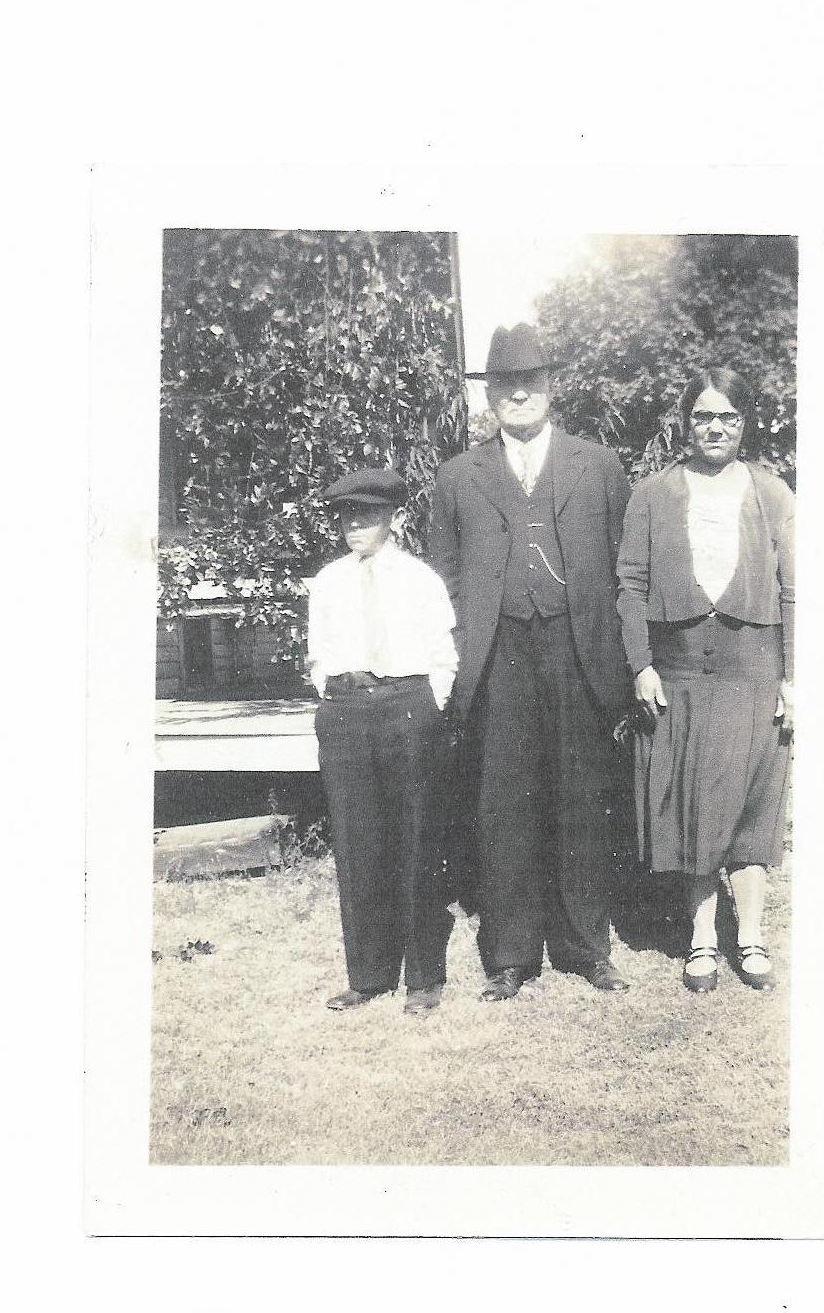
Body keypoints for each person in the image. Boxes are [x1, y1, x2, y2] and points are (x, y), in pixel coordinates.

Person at [428, 323, 633, 1002]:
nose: (518, 393)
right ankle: (510, 955)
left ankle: (586, 947)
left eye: (530, 380)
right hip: (499, 658)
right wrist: (460, 655)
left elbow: (624, 569)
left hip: (579, 654)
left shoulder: (598, 465)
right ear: (488, 394)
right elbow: (445, 576)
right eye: (504, 383)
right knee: (503, 807)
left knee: (582, 802)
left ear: (551, 386)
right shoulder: (459, 476)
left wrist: (621, 661)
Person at [616, 368, 794, 992]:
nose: (714, 428)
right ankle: (700, 942)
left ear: (743, 423)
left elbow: (795, 589)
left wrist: (793, 677)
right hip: (682, 668)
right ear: (686, 422)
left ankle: (750, 938)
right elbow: (631, 585)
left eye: (727, 417)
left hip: (753, 668)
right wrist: (641, 664)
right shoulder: (653, 493)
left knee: (751, 801)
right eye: (702, 416)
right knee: (694, 801)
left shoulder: (772, 493)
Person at [307, 467, 459, 1016]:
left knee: (417, 841)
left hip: (406, 707)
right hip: (346, 711)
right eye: (346, 517)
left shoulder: (420, 579)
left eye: (367, 516)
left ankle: (423, 976)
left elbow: (443, 656)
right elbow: (319, 651)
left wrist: (424, 706)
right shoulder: (329, 581)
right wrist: (335, 693)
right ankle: (368, 974)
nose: (354, 526)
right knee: (358, 842)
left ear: (396, 519)